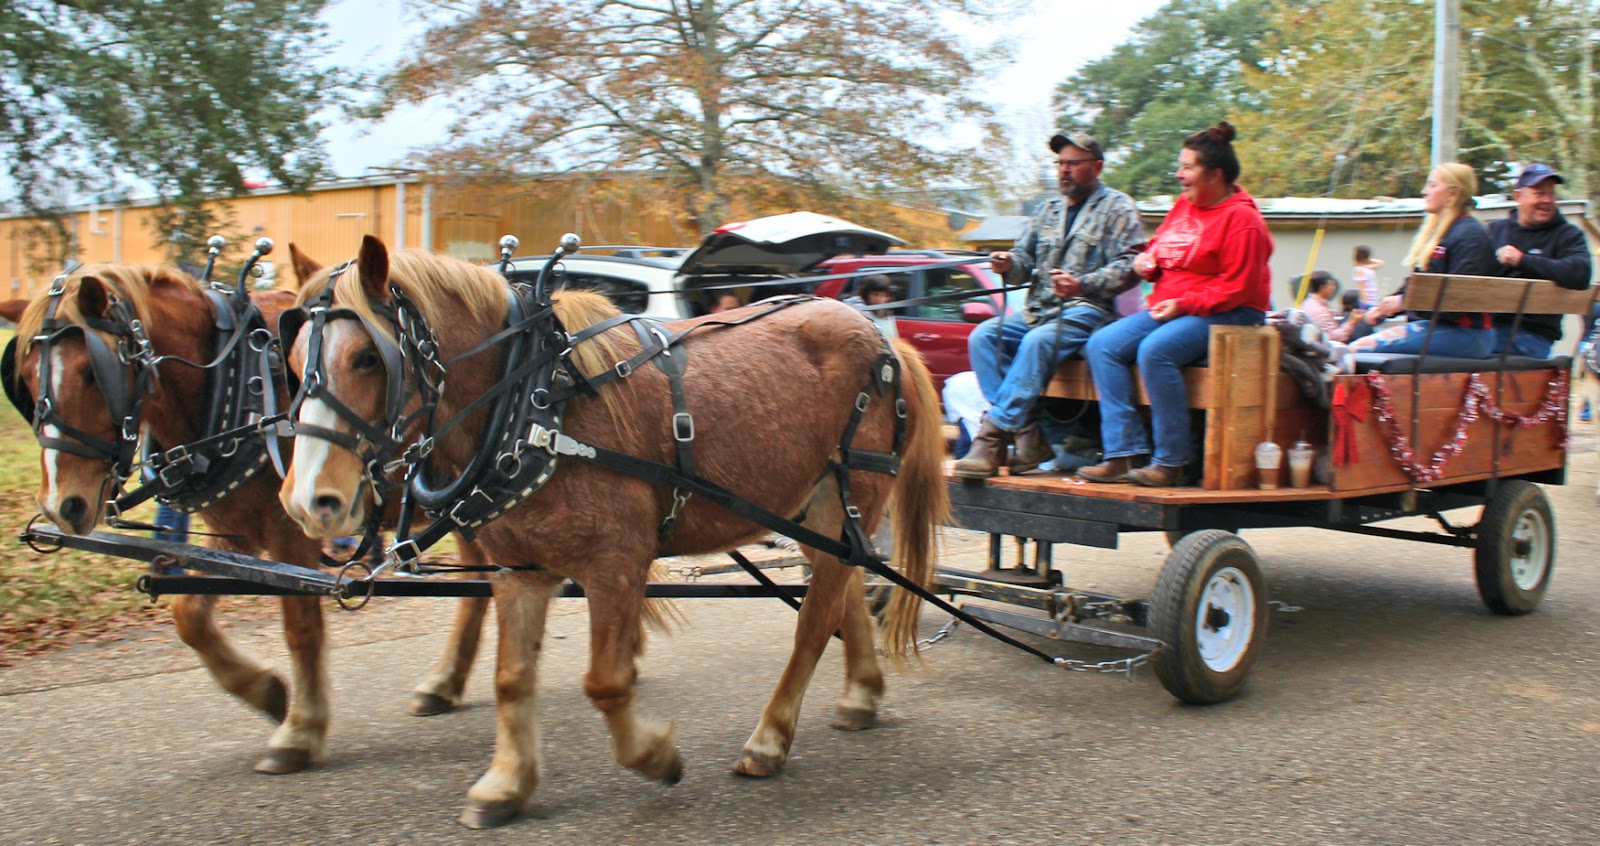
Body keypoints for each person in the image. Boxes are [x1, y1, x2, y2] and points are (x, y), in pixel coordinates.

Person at [1077, 121, 1273, 487]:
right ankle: (1123, 453)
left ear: (1214, 174)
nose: (1179, 175)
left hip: (1232, 311)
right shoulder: (1184, 205)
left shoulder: (1243, 220)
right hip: (1175, 305)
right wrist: (1148, 261)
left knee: (1155, 350)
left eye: (1187, 168)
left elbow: (1239, 287)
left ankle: (1172, 460)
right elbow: (1162, 246)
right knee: (1102, 344)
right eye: (1179, 167)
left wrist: (1184, 304)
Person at [954, 130, 1145, 479]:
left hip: (1087, 310)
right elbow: (1024, 259)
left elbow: (1129, 266)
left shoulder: (1118, 207)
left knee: (1037, 342)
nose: (1064, 170)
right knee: (983, 337)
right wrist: (1008, 263)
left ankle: (992, 436)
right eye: (1060, 163)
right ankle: (1028, 432)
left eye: (1074, 163)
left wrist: (1081, 283)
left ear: (1097, 167)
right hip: (1039, 310)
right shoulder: (1047, 210)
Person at [1349, 163, 1497, 358]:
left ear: (1452, 194)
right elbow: (1418, 284)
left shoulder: (1470, 235)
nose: (1424, 192)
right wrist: (1384, 308)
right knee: (1349, 342)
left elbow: (1458, 300)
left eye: (1432, 185)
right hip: (1441, 329)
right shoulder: (1444, 233)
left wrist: (1403, 302)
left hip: (1466, 334)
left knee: (1357, 349)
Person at [1487, 163, 1593, 358]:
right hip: (1486, 328)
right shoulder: (1495, 230)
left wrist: (1523, 261)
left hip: (1531, 334)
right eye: (1539, 193)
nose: (1547, 200)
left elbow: (1580, 272)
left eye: (1551, 194)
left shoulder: (1567, 234)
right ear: (1518, 196)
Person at [844, 274, 899, 339]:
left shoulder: (885, 313)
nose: (879, 299)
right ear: (866, 294)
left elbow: (892, 338)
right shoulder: (856, 311)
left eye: (883, 295)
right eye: (875, 294)